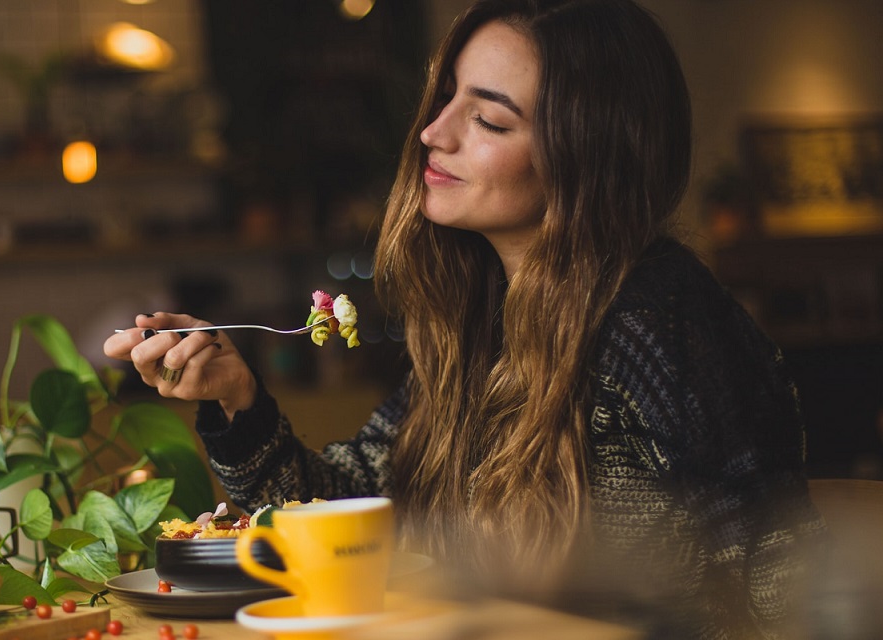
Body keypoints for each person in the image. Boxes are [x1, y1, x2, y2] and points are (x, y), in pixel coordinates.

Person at [104, 0, 825, 636]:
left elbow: (780, 587)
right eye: (444, 98)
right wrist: (238, 399)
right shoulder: (481, 323)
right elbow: (345, 517)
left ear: (587, 156)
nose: (432, 133)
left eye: (487, 118)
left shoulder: (657, 319)